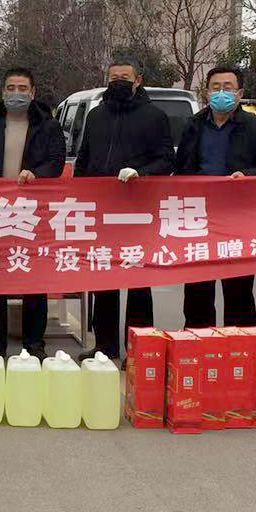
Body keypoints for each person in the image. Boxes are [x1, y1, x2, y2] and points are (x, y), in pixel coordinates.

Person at [74, 56, 177, 359]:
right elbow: (84, 156)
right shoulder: (96, 115)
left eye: (124, 77)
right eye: (113, 77)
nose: (118, 82)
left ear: (137, 80)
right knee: (104, 279)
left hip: (138, 211)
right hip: (102, 210)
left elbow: (166, 160)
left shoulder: (154, 116)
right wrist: (79, 189)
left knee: (138, 282)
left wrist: (140, 173)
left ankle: (138, 349)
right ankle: (104, 346)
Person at [0, 66, 66, 357]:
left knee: (34, 279)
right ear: (2, 91)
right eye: (11, 88)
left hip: (33, 213)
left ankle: (34, 344)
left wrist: (36, 174)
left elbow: (56, 162)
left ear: (33, 93)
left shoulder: (47, 125)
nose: (16, 93)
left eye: (22, 88)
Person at [175, 66, 256, 328]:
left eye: (228, 87)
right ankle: (198, 342)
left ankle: (240, 344)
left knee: (239, 291)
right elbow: (182, 167)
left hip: (239, 218)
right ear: (206, 92)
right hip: (199, 218)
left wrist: (247, 175)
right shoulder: (194, 125)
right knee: (197, 290)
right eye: (216, 87)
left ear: (240, 93)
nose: (221, 92)